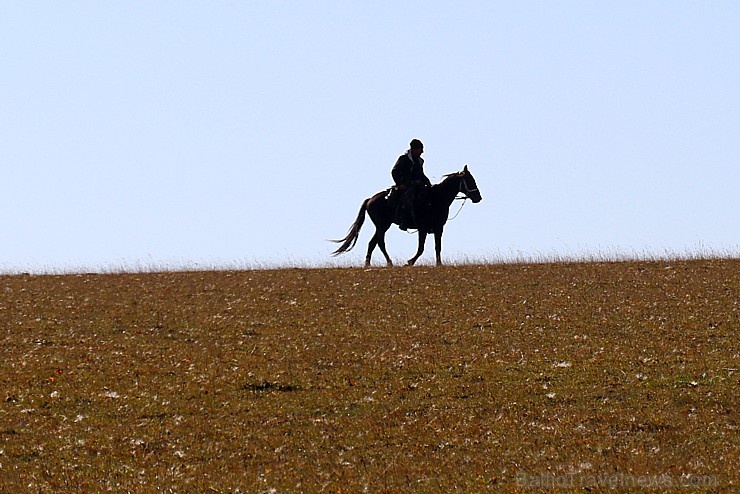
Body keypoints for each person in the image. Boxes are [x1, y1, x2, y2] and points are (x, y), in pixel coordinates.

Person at [391, 139, 431, 230]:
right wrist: (400, 183)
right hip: (407, 185)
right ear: (414, 149)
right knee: (408, 198)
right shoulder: (404, 159)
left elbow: (421, 174)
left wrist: (427, 182)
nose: (421, 152)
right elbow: (395, 171)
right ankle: (403, 221)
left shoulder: (420, 161)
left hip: (418, 185)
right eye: (420, 150)